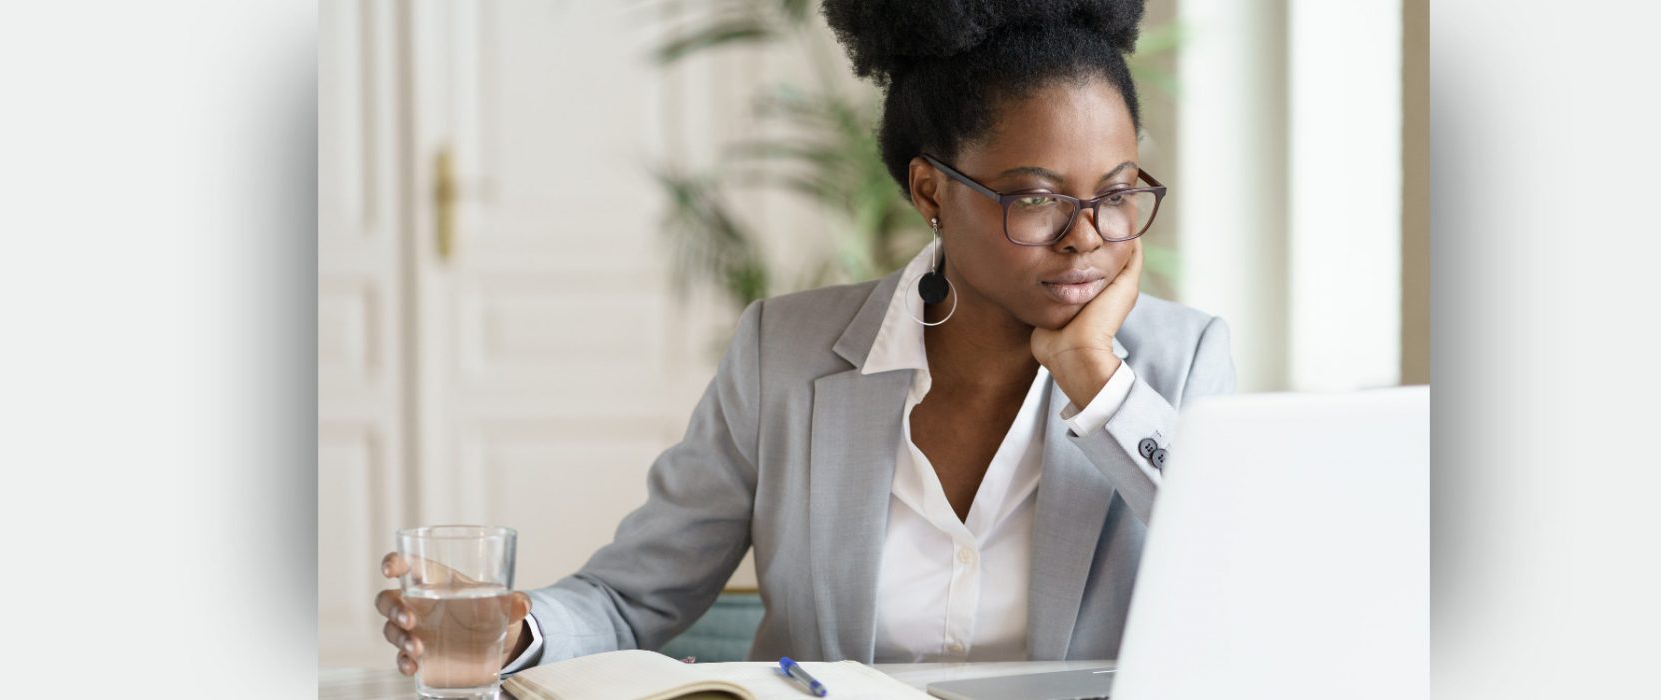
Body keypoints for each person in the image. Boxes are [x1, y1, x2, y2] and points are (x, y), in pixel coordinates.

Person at [374, 0, 1235, 675]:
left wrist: (1096, 380)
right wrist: (513, 628)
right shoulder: (782, 355)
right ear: (931, 191)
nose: (1087, 236)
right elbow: (630, 598)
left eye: (1117, 193)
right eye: (1038, 198)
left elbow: (1247, 572)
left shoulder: (1179, 364)